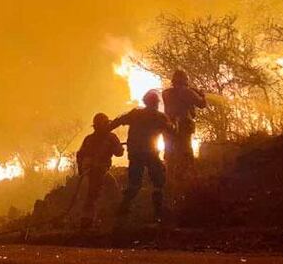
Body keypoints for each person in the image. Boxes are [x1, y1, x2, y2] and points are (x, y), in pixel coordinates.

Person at [109, 91, 174, 222]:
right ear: (156, 103)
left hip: (135, 154)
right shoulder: (160, 117)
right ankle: (158, 213)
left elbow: (118, 121)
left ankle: (122, 210)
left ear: (145, 101)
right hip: (151, 154)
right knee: (158, 182)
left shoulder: (135, 114)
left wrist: (105, 129)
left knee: (134, 183)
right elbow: (172, 131)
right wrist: (176, 123)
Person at [75, 113, 125, 229]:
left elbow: (80, 155)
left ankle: (90, 220)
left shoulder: (89, 138)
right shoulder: (110, 137)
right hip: (99, 170)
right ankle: (112, 218)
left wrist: (81, 170)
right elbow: (119, 153)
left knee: (94, 194)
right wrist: (118, 147)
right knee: (104, 192)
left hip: (91, 171)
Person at [161, 70, 206, 173]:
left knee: (169, 154)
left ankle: (169, 177)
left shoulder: (166, 93)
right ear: (185, 80)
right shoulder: (187, 92)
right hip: (183, 127)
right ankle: (186, 178)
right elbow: (202, 104)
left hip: (169, 127)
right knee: (185, 153)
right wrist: (202, 95)